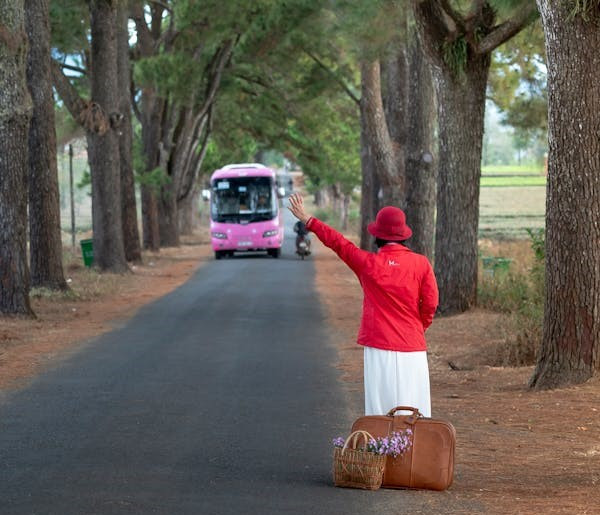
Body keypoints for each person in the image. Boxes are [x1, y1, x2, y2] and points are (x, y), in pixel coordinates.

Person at [288, 193, 438, 417]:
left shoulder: (368, 263)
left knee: (380, 410)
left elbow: (339, 243)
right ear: (404, 235)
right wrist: (417, 329)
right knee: (416, 411)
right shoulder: (421, 264)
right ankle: (416, 452)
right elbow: (430, 304)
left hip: (378, 345)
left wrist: (309, 220)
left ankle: (380, 451)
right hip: (412, 347)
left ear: (377, 235)